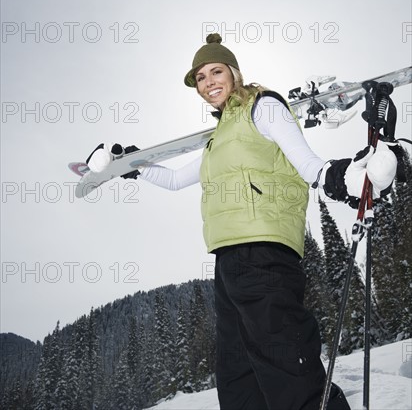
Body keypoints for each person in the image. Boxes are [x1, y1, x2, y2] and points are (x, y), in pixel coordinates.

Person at [87, 33, 397, 410]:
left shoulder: (263, 107)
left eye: (216, 72)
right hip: (228, 262)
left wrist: (335, 177)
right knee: (238, 383)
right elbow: (174, 180)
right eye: (200, 78)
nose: (208, 83)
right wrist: (135, 168)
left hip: (265, 252)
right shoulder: (219, 137)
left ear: (233, 72)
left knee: (287, 369)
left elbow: (305, 159)